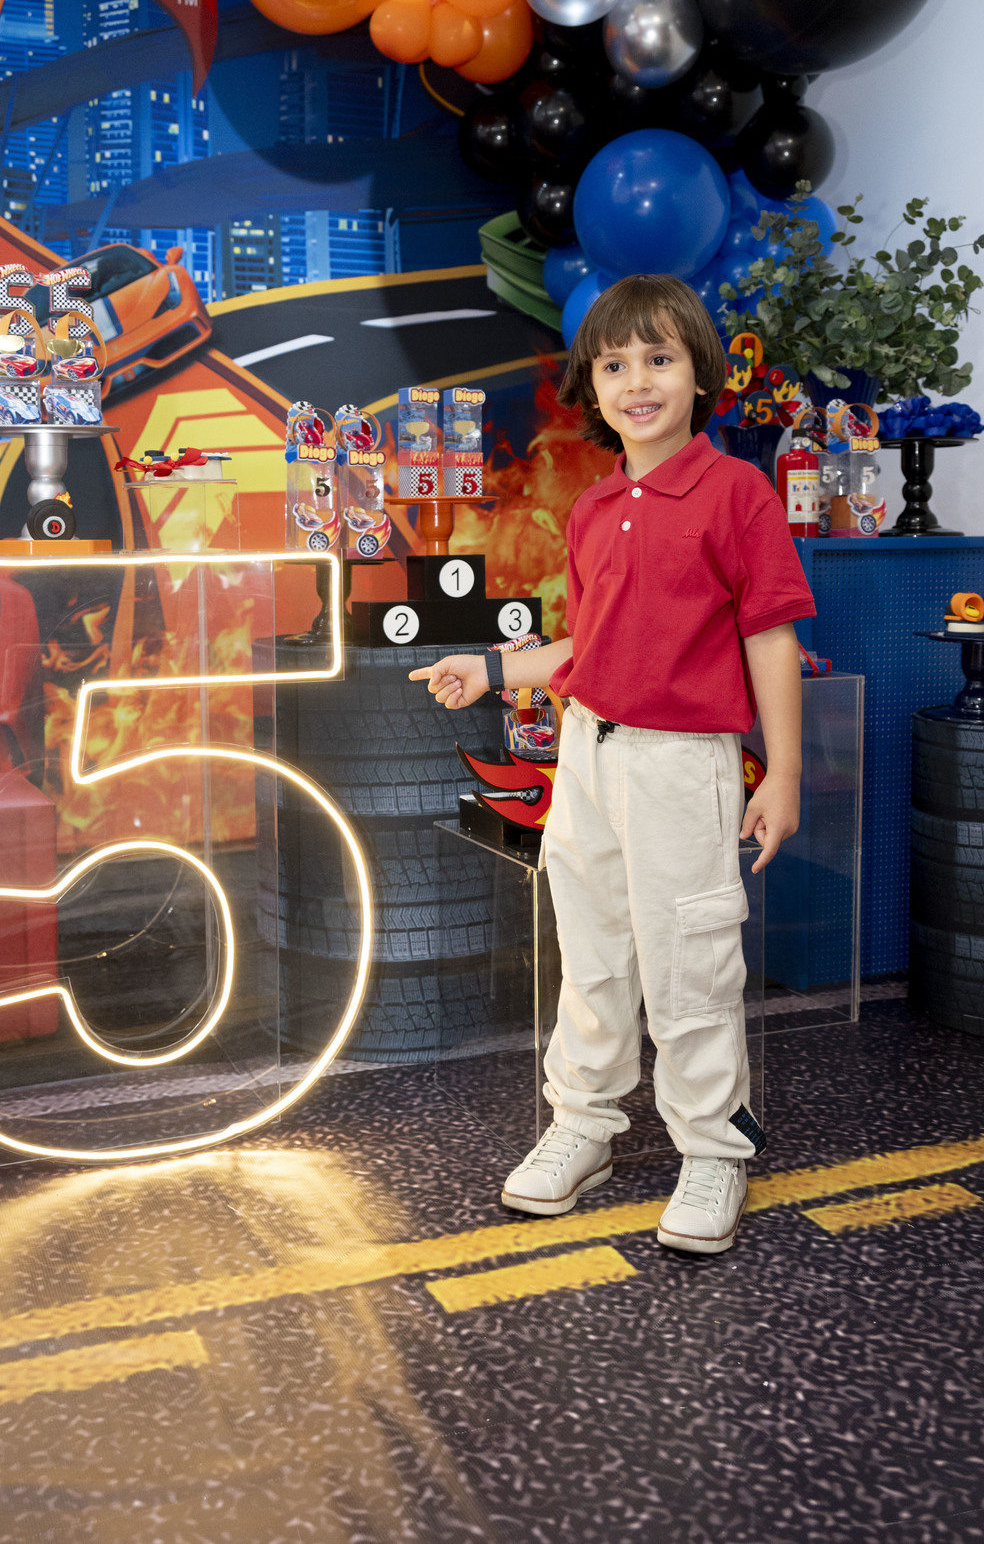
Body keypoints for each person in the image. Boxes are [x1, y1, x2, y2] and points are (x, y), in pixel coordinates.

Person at [410, 275, 815, 1255]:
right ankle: (584, 1125)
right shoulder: (593, 509)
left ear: (699, 374)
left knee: (689, 965)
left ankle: (713, 1149)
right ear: (591, 386)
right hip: (589, 758)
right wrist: (492, 666)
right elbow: (583, 649)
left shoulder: (737, 493)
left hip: (683, 766)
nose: (638, 381)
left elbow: (770, 637)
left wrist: (785, 772)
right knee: (592, 957)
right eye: (615, 364)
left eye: (659, 359)